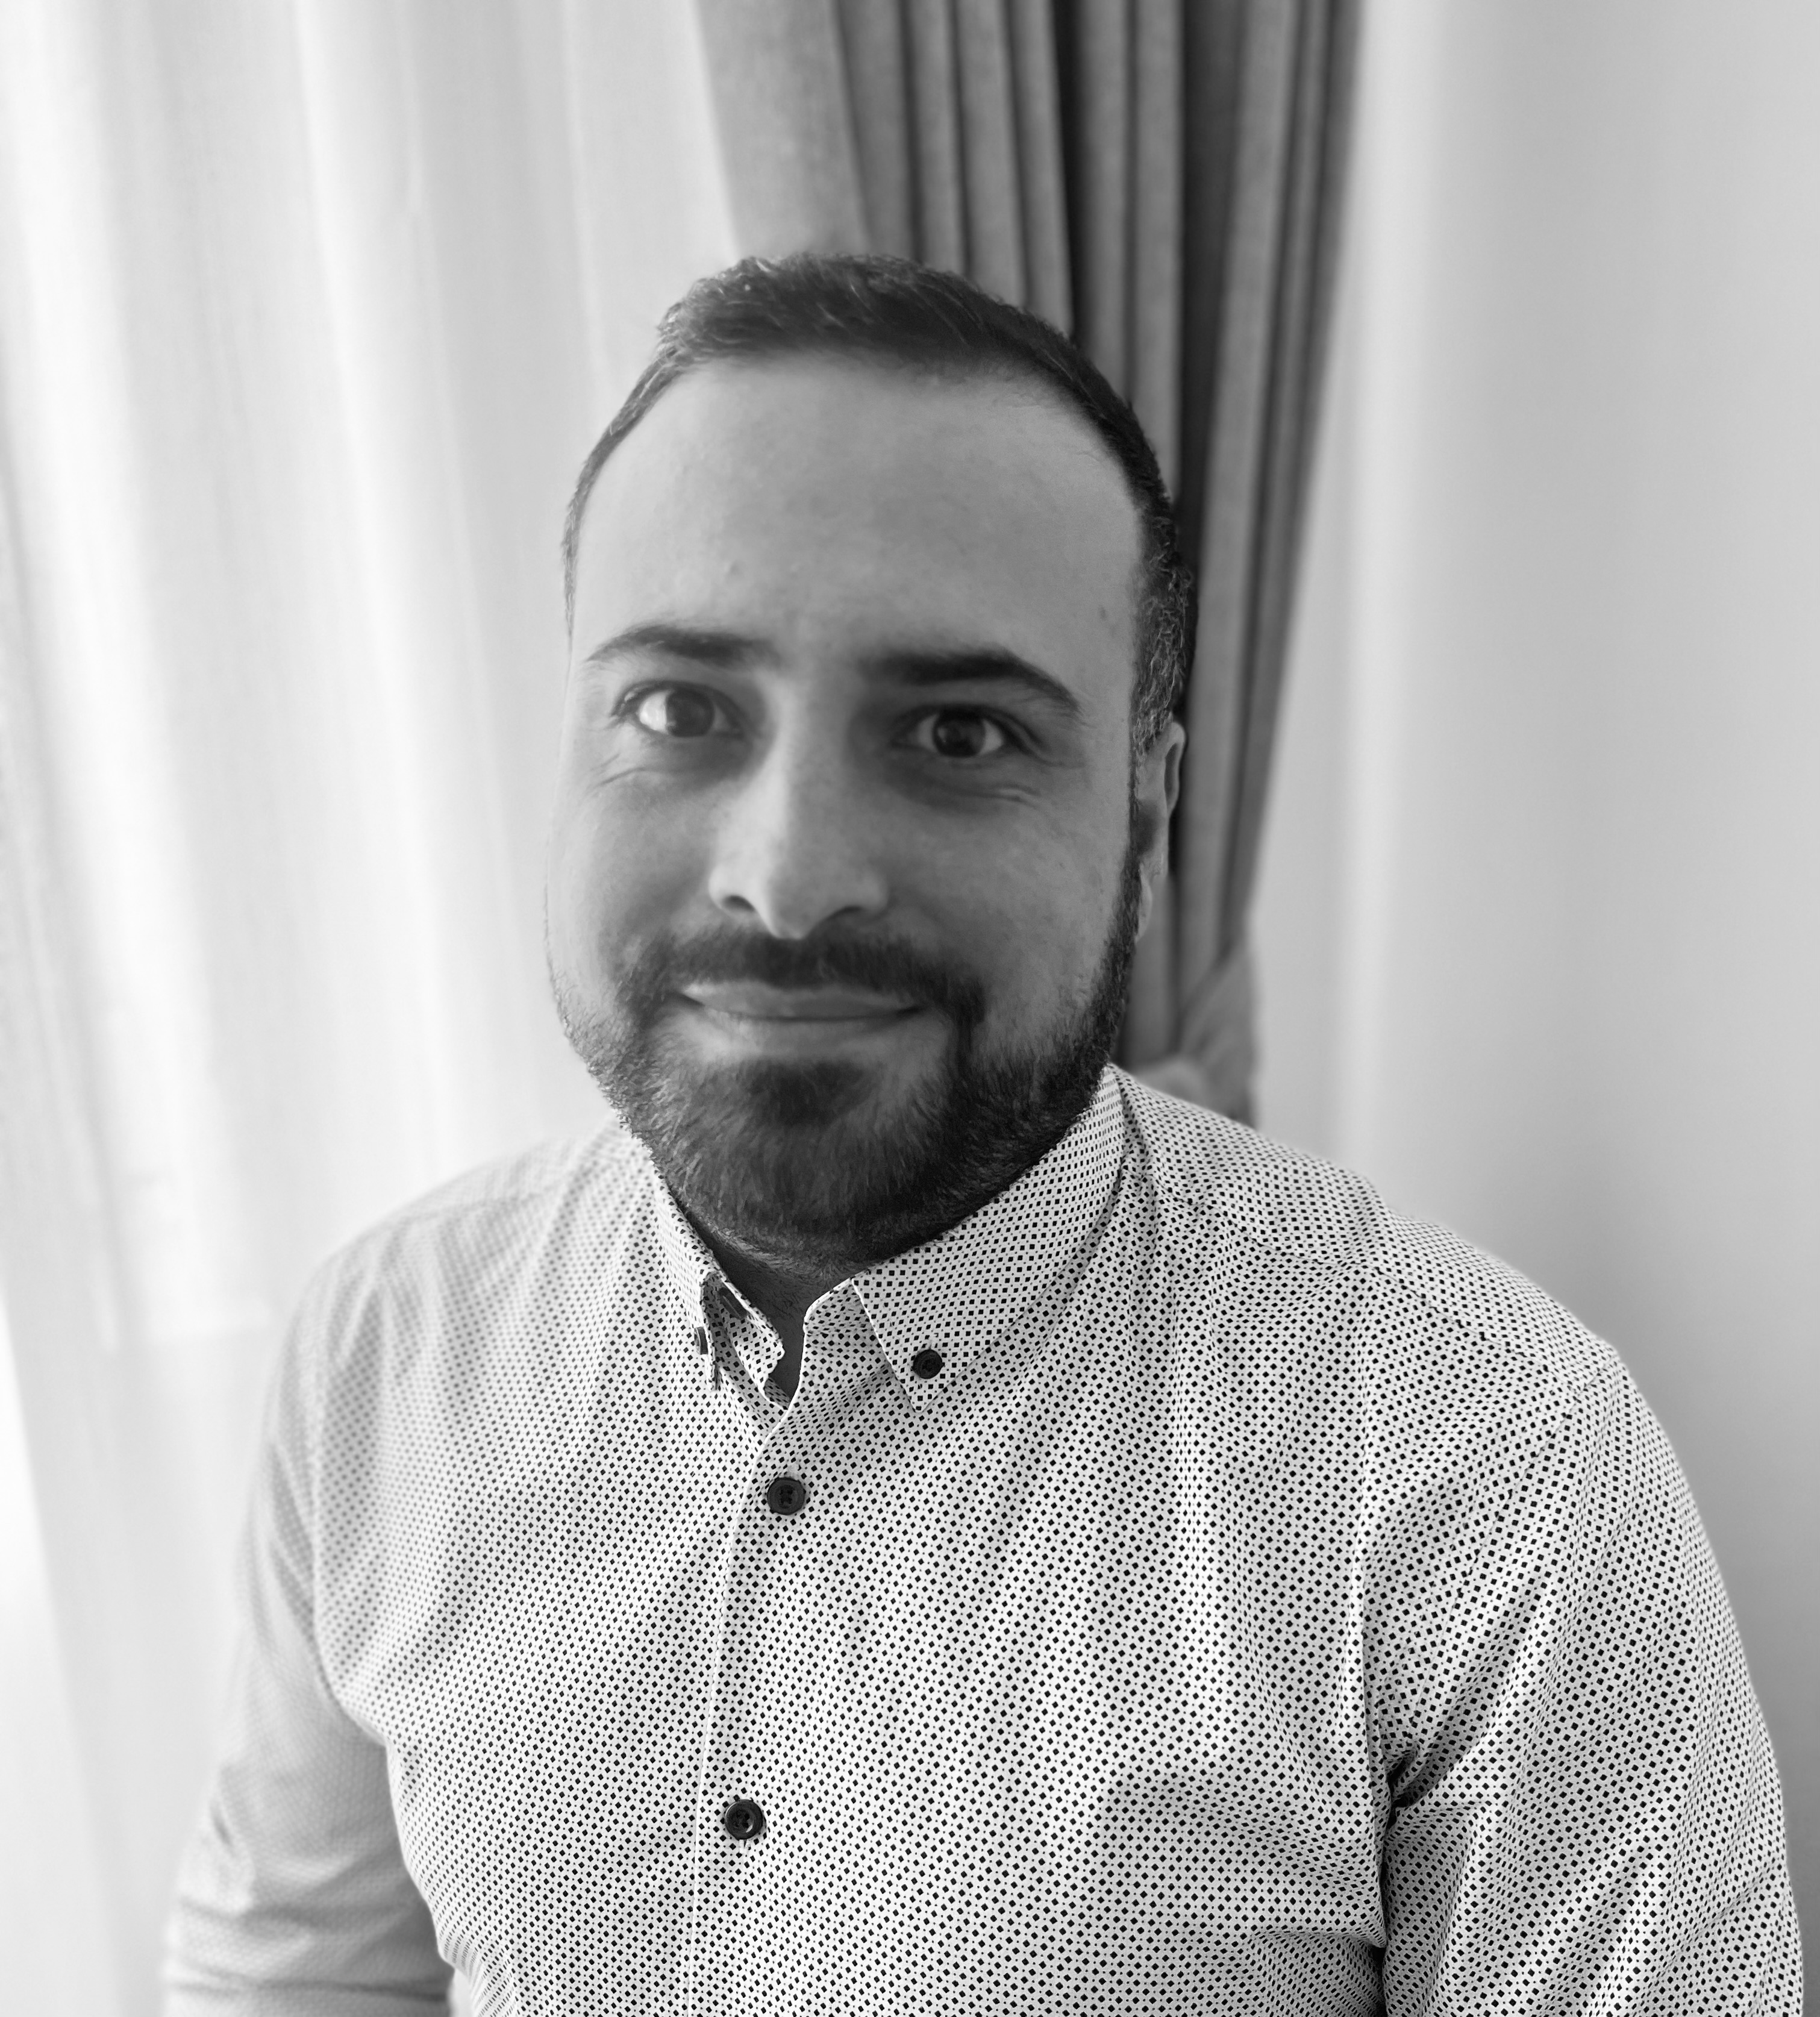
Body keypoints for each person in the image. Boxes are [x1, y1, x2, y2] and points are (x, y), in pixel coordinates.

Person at [165, 254, 1801, 2015]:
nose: (788, 878)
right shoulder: (383, 1355)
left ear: (1148, 798)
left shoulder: (1497, 1464)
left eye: (959, 732)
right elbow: (296, 1970)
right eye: (680, 710)